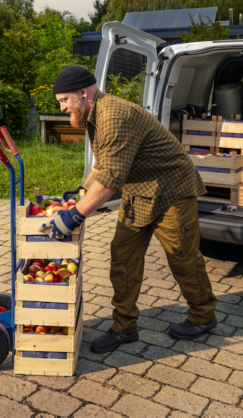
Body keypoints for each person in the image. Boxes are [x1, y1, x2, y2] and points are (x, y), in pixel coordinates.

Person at [41, 65, 219, 353]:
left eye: (64, 101)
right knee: (123, 258)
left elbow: (110, 181)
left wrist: (74, 216)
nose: (62, 108)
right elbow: (106, 162)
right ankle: (124, 328)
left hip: (172, 190)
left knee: (182, 257)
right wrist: (82, 193)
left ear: (83, 93)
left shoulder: (114, 115)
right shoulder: (92, 113)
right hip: (140, 190)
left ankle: (203, 316)